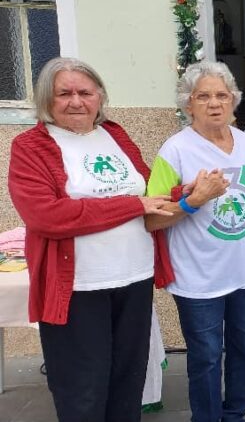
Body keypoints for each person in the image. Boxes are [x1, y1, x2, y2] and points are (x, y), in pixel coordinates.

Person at [8, 57, 176, 421]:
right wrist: (131, 204)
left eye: (85, 92)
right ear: (46, 100)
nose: (76, 101)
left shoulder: (114, 134)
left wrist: (184, 192)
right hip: (78, 289)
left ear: (100, 96)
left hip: (134, 278)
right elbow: (47, 216)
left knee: (128, 383)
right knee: (82, 390)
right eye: (63, 93)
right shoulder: (31, 146)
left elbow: (149, 191)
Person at [144, 61, 245, 422]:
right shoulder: (175, 150)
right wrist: (193, 201)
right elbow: (151, 218)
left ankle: (236, 413)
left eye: (222, 95)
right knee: (206, 358)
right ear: (188, 103)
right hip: (198, 280)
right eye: (204, 96)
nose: (214, 103)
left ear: (233, 101)